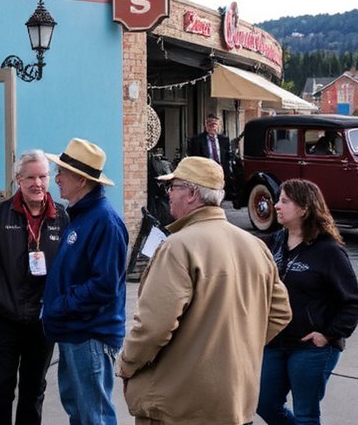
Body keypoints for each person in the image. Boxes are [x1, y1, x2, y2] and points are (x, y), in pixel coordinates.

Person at [116, 157, 292, 425]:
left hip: (179, 405)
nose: (168, 194)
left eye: (173, 187)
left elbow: (153, 327)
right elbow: (280, 312)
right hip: (235, 402)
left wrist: (127, 364)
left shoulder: (178, 246)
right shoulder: (255, 246)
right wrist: (236, 345)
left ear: (192, 193)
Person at [257, 179, 358, 425]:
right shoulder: (273, 242)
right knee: (265, 404)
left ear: (304, 208)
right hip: (274, 342)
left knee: (306, 414)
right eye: (278, 200)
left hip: (311, 348)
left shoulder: (329, 251)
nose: (276, 206)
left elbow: (355, 303)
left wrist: (328, 334)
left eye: (284, 201)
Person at [0, 150, 69, 425]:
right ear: (18, 180)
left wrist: (55, 303)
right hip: (4, 318)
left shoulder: (61, 218)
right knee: (1, 389)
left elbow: (69, 267)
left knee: (33, 390)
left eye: (43, 176)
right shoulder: (0, 214)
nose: (37, 183)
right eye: (31, 178)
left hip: (42, 321)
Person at [42, 138, 128, 425]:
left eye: (62, 172)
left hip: (90, 335)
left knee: (95, 418)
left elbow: (104, 286)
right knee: (81, 415)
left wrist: (61, 306)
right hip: (76, 332)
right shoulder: (83, 216)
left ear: (80, 180)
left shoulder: (104, 221)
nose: (56, 178)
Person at [186, 113, 232, 197]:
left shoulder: (224, 140)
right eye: (210, 124)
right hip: (205, 172)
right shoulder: (197, 140)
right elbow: (194, 158)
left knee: (219, 196)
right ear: (206, 125)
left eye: (215, 124)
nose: (213, 127)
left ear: (219, 125)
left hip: (220, 171)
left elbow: (227, 157)